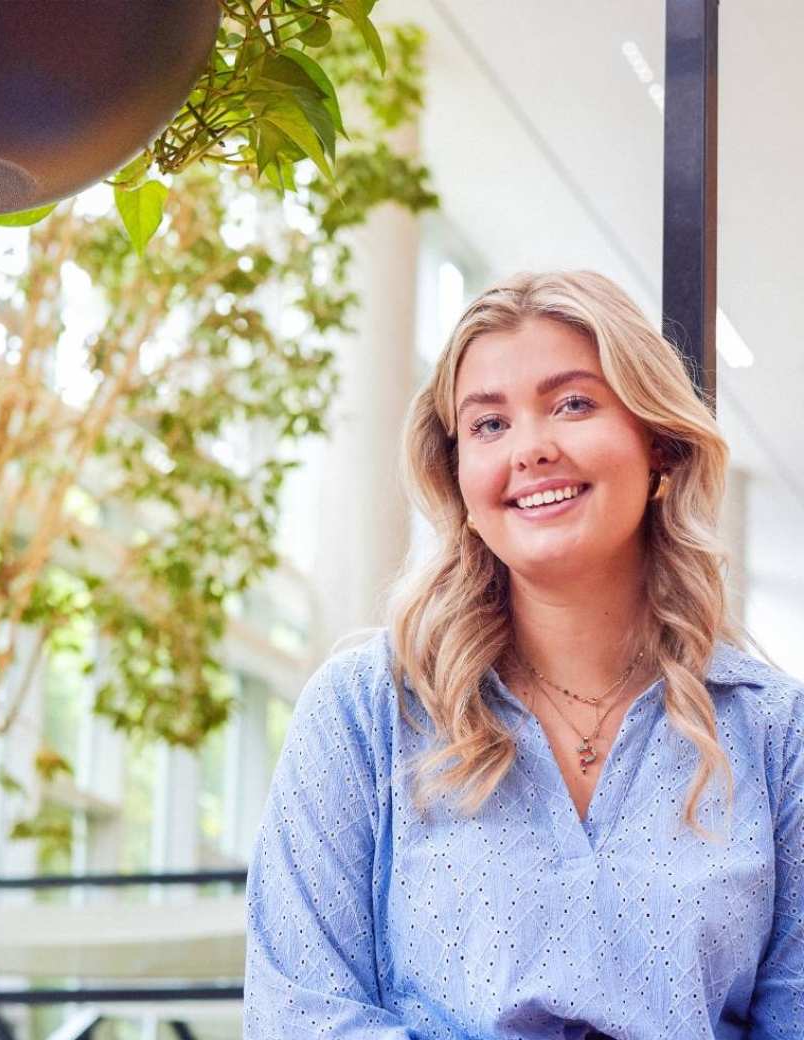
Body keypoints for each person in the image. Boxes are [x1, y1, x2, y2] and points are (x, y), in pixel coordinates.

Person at [242, 271, 803, 1039]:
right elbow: (299, 1016)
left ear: (659, 446)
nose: (532, 449)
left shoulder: (775, 733)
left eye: (572, 403)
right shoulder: (365, 711)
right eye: (489, 425)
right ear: (458, 477)